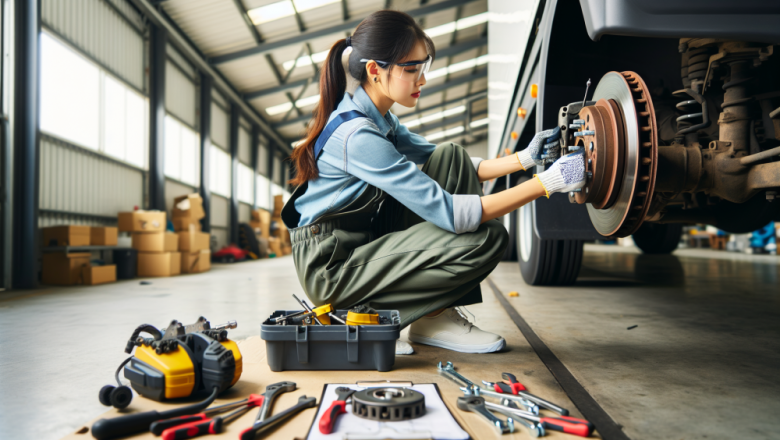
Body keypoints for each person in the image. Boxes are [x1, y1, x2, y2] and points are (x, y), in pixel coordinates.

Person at [281, 10, 585, 354]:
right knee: (485, 240)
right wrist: (548, 182)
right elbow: (452, 214)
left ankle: (432, 317)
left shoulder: (378, 116)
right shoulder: (356, 136)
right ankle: (365, 317)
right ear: (374, 71)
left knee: (451, 155)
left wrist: (525, 159)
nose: (422, 80)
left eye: (424, 67)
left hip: (358, 243)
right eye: (412, 69)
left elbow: (443, 160)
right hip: (333, 267)